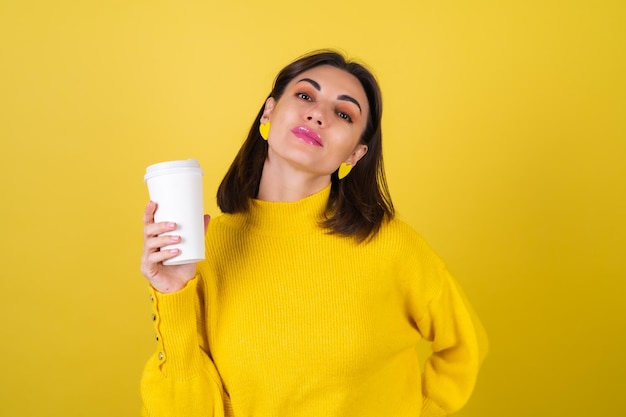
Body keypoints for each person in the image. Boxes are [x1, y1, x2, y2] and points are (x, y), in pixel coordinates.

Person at [139, 50, 488, 417]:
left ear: (355, 153)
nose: (318, 114)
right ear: (269, 112)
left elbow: (464, 347)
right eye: (305, 95)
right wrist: (173, 292)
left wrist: (425, 410)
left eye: (343, 113)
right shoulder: (206, 247)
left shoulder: (391, 246)